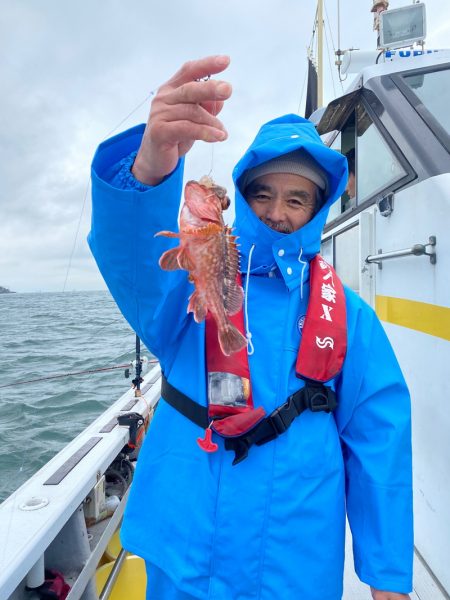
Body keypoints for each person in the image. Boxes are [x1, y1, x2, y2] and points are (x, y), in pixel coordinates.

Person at [89, 56, 413, 600]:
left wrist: (387, 580)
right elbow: (136, 266)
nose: (277, 212)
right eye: (262, 194)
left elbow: (379, 442)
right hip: (187, 547)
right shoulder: (190, 287)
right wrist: (149, 170)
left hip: (294, 556)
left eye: (296, 198)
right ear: (240, 195)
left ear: (317, 208)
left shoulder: (350, 316)